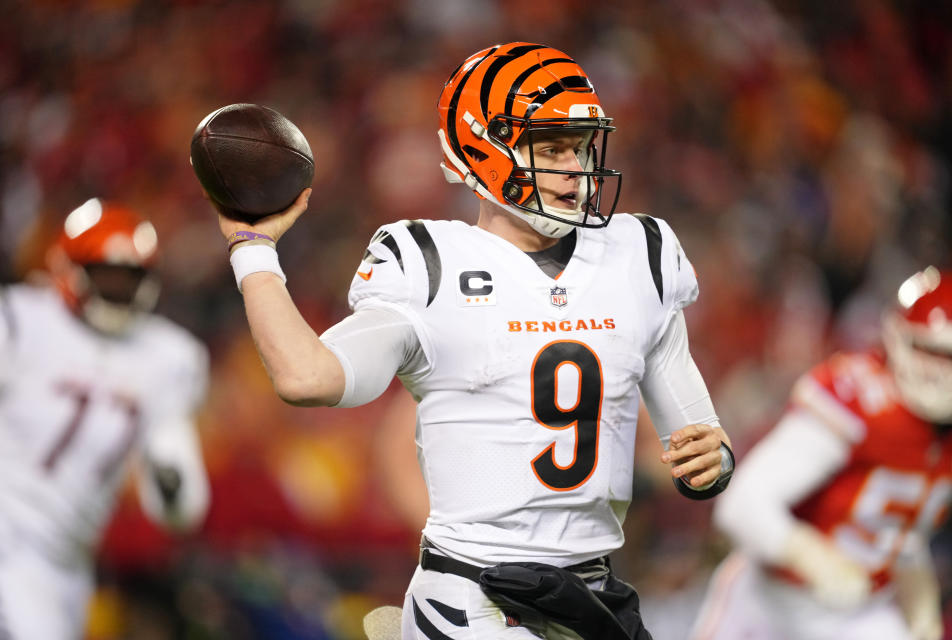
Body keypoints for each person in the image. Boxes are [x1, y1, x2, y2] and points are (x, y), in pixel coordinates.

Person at [213, 42, 733, 640]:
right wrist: (253, 250)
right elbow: (309, 378)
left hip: (593, 596)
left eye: (582, 146)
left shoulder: (641, 252)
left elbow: (697, 439)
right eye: (550, 147)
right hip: (475, 600)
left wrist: (712, 459)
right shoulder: (427, 262)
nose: (575, 168)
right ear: (483, 149)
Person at [689, 266, 952, 640]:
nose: (941, 371)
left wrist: (918, 593)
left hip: (859, 615)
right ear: (897, 338)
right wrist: (810, 556)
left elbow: (902, 534)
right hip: (769, 600)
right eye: (929, 349)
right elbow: (741, 504)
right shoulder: (862, 399)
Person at [0, 198, 211, 639]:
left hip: (66, 555)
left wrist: (171, 483)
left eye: (129, 277)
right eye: (106, 274)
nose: (118, 288)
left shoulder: (169, 358)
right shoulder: (20, 319)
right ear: (70, 270)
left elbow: (181, 504)